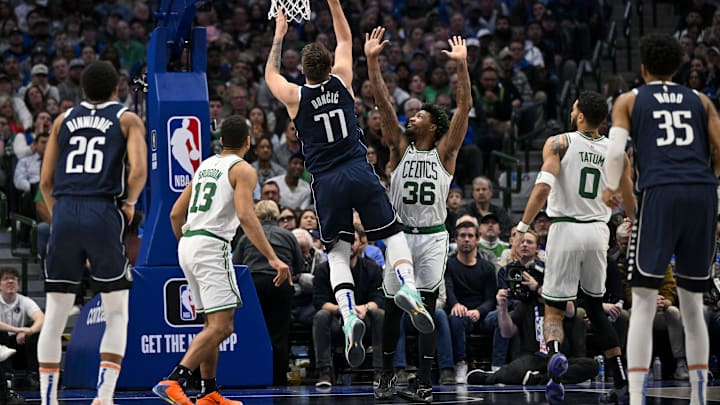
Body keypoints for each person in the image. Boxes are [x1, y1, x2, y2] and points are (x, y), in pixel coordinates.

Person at [265, 1, 433, 372]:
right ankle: (407, 285)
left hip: (326, 182)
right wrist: (335, 3)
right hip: (358, 169)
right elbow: (345, 36)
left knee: (338, 251)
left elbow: (270, 75)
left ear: (304, 71)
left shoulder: (295, 97)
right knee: (393, 236)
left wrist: (279, 35)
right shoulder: (342, 78)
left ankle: (346, 313)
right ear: (328, 65)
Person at [604, 33, 720, 405]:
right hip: (702, 192)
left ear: (643, 68)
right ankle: (700, 396)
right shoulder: (701, 100)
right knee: (692, 301)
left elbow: (615, 150)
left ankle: (637, 397)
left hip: (661, 192)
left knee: (642, 299)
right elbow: (719, 147)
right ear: (679, 67)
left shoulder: (630, 99)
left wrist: (610, 188)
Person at [364, 27, 471, 403]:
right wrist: (372, 61)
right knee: (394, 309)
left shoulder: (446, 153)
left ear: (434, 126)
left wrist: (462, 67)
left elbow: (464, 108)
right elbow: (383, 105)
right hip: (398, 236)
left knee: (424, 308)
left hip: (432, 236)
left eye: (420, 114)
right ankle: (386, 375)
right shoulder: (397, 147)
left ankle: (424, 380)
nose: (413, 116)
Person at [153, 116, 291, 405]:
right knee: (223, 327)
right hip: (211, 245)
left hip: (189, 243)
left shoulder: (205, 166)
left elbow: (175, 214)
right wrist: (273, 258)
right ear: (248, 141)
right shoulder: (243, 169)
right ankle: (174, 380)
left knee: (211, 324)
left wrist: (190, 245)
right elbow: (245, 215)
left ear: (220, 141)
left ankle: (209, 392)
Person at [36, 61, 147, 405]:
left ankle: (48, 400)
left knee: (55, 314)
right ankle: (104, 395)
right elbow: (139, 170)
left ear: (82, 90)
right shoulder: (126, 118)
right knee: (117, 312)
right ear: (118, 88)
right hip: (102, 208)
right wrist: (128, 202)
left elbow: (44, 183)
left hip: (67, 208)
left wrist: (61, 218)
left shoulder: (61, 120)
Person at [517, 90, 634, 405]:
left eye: (574, 108)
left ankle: (555, 360)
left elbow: (543, 187)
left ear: (580, 115)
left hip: (566, 227)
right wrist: (633, 221)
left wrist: (522, 227)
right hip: (598, 232)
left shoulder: (560, 142)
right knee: (595, 308)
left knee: (554, 307)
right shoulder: (617, 151)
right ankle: (621, 378)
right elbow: (628, 195)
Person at [233, 200, 301, 385]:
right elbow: (298, 265)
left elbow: (237, 265)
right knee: (279, 333)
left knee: (252, 332)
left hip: (253, 284)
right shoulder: (288, 235)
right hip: (280, 283)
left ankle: (252, 376)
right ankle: (278, 378)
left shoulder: (247, 237)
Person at [312, 223, 385, 388]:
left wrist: (365, 307)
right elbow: (319, 302)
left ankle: (380, 371)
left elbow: (379, 298)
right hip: (337, 319)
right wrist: (344, 309)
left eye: (352, 240)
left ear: (360, 243)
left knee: (380, 314)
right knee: (320, 316)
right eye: (343, 241)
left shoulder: (372, 268)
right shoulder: (324, 269)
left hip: (363, 318)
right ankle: (325, 372)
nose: (348, 245)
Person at [0, 267, 44, 389]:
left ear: (18, 284)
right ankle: (6, 376)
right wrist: (18, 330)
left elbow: (41, 318)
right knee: (2, 332)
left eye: (13, 279)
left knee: (36, 331)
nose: (10, 282)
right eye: (6, 279)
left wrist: (29, 331)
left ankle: (33, 375)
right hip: (2, 348)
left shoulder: (24, 301)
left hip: (20, 347)